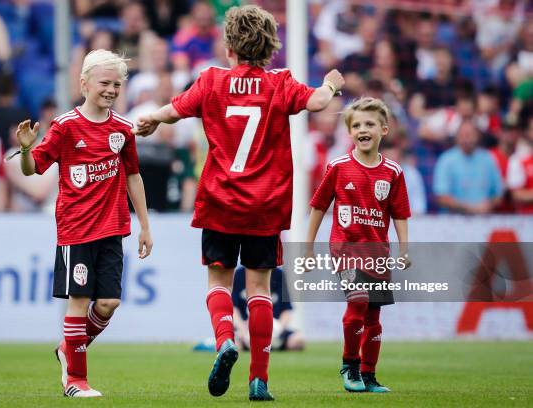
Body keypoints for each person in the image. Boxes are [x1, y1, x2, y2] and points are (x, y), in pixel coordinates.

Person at [134, 5, 344, 401]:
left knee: (218, 280)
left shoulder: (211, 80)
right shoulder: (280, 82)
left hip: (220, 201)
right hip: (265, 205)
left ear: (229, 45)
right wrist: (331, 84)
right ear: (269, 47)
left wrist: (153, 119)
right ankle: (259, 379)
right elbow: (317, 102)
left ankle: (226, 339)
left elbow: (176, 109)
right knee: (260, 287)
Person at [15, 49, 152, 398]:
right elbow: (34, 169)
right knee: (78, 300)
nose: (111, 90)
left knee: (107, 304)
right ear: (84, 82)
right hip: (76, 230)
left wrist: (145, 226)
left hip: (114, 229)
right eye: (105, 82)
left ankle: (67, 349)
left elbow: (134, 177)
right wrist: (28, 150)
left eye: (117, 84)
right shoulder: (65, 126)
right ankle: (76, 381)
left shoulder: (123, 129)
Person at [306, 97, 411, 393]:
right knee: (358, 301)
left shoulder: (393, 172)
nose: (363, 130)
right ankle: (349, 365)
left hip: (377, 252)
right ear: (349, 132)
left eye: (369, 124)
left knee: (374, 316)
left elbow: (400, 212)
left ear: (384, 130)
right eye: (356, 125)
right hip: (345, 249)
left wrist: (404, 249)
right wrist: (308, 246)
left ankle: (369, 374)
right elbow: (317, 206)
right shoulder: (338, 167)